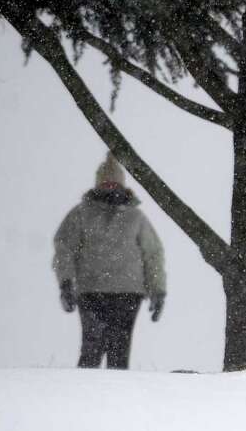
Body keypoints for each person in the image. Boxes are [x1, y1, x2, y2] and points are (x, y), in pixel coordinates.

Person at [53, 152, 166, 369]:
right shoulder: (81, 214)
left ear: (122, 185)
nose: (110, 187)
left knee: (119, 352)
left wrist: (157, 290)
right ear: (98, 184)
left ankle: (117, 399)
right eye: (106, 183)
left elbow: (153, 254)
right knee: (91, 349)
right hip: (91, 291)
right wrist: (66, 283)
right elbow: (64, 249)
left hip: (128, 293)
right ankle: (82, 395)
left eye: (114, 183)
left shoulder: (136, 217)